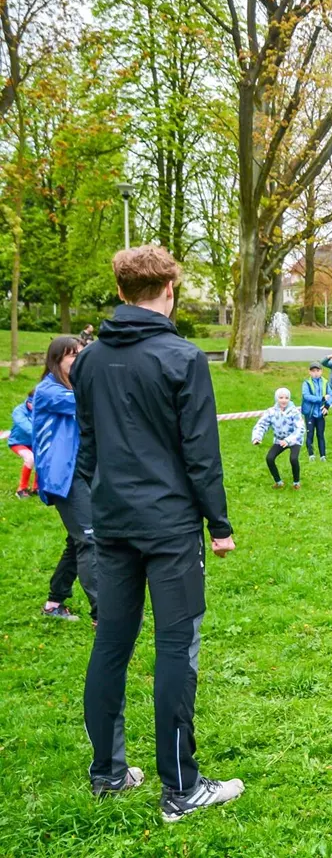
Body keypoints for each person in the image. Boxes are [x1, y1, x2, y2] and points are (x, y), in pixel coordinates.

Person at [73, 246, 241, 819]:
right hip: (165, 527)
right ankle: (178, 787)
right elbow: (202, 453)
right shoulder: (180, 357)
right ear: (168, 290)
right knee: (173, 648)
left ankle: (110, 773)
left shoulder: (89, 358)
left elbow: (88, 450)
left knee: (112, 645)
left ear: (123, 293)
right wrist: (219, 525)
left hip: (114, 522)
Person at [33, 337, 98, 624]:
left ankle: (54, 601)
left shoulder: (73, 387)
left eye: (81, 355)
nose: (78, 361)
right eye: (73, 356)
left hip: (83, 471)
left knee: (78, 540)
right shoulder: (49, 391)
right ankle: (104, 613)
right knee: (89, 539)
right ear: (56, 360)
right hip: (63, 476)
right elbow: (86, 403)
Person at [251, 387, 304, 489]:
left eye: (286, 398)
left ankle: (296, 483)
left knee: (293, 459)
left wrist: (288, 440)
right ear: (276, 398)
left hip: (294, 440)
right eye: (281, 397)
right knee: (269, 458)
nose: (284, 400)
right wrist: (257, 437)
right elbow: (262, 424)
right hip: (279, 440)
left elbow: (300, 429)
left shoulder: (294, 412)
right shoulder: (271, 412)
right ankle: (278, 482)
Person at [300, 362, 331, 461]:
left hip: (320, 413)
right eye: (313, 371)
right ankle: (311, 454)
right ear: (309, 372)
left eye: (318, 371)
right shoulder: (306, 383)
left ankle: (323, 455)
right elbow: (306, 396)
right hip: (310, 413)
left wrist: (326, 406)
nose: (316, 373)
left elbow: (331, 395)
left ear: (321, 371)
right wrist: (321, 398)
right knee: (310, 434)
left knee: (321, 434)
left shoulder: (326, 382)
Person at [9, 389, 36, 497]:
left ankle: (37, 488)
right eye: (32, 403)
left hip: (34, 442)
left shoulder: (43, 409)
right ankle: (21, 489)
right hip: (18, 442)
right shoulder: (19, 411)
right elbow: (26, 426)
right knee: (30, 458)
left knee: (42, 458)